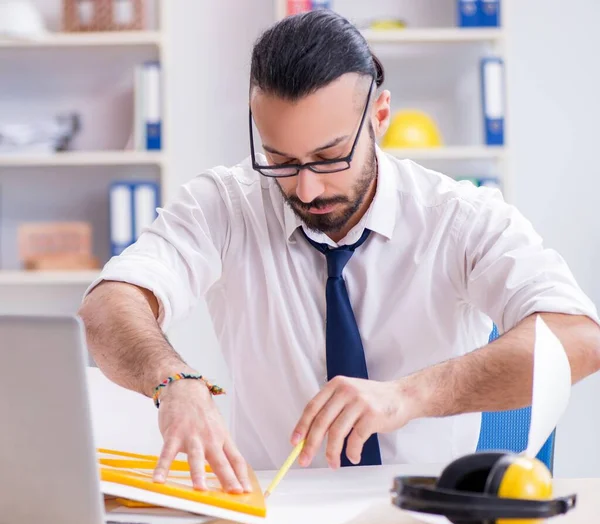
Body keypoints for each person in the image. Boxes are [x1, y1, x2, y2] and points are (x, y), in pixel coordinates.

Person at [79, 10, 600, 495]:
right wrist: (174, 382)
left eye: (329, 158)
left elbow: (579, 336)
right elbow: (107, 305)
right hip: (276, 514)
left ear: (380, 116)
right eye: (280, 160)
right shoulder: (226, 204)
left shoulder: (459, 217)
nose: (305, 189)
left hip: (421, 517)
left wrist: (409, 395)